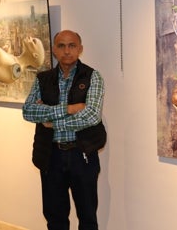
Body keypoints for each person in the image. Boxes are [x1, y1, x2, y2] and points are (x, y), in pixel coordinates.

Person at [23, 30, 107, 230]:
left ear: (80, 49)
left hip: (82, 156)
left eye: (71, 45)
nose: (66, 51)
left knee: (87, 218)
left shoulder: (93, 77)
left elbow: (91, 116)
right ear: (54, 50)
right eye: (61, 46)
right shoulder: (42, 79)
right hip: (50, 157)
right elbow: (28, 111)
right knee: (55, 218)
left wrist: (52, 121)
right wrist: (68, 109)